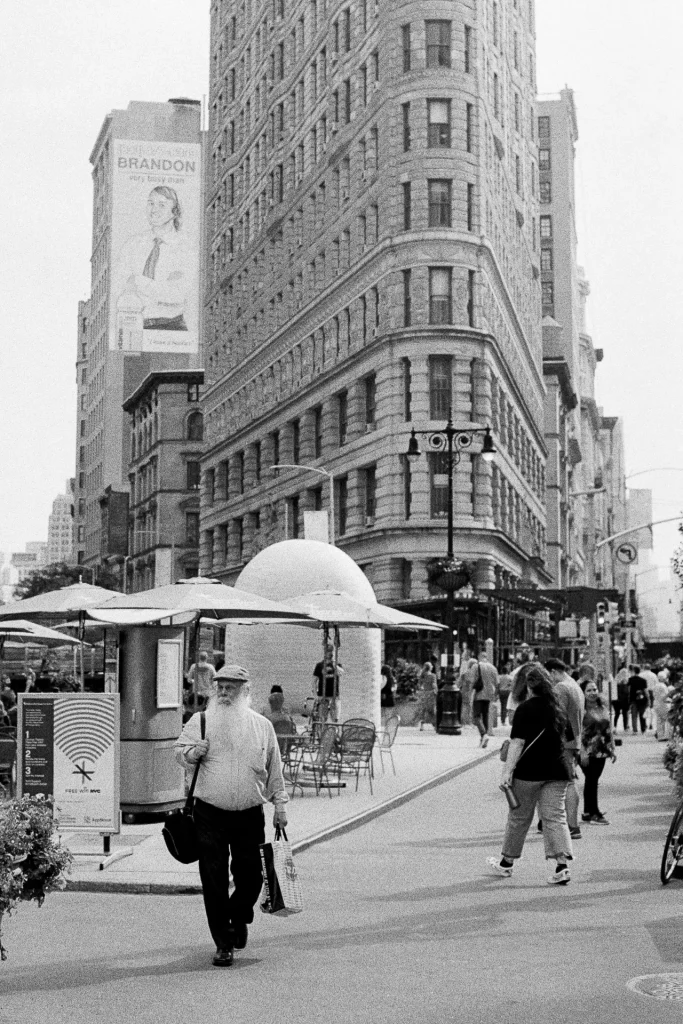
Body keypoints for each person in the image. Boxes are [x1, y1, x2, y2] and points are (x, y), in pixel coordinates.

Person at [175, 664, 288, 968]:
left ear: (245, 692)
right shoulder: (199, 721)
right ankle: (223, 942)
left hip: (250, 814)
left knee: (251, 875)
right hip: (209, 813)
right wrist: (191, 754)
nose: (223, 693)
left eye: (230, 688)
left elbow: (274, 768)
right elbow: (179, 752)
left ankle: (238, 916)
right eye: (219, 687)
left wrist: (280, 805)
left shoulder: (262, 726)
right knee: (212, 878)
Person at [487, 663, 574, 885]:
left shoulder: (524, 709)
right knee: (555, 817)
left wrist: (506, 773)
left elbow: (517, 743)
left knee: (518, 818)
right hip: (557, 771)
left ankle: (507, 863)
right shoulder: (558, 708)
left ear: (527, 687)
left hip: (528, 772)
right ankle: (562, 866)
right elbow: (568, 737)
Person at [115, 185, 195, 335]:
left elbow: (176, 296)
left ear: (175, 211)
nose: (154, 210)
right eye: (151, 203)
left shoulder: (185, 248)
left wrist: (137, 280)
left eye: (161, 205)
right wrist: (160, 288)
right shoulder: (133, 244)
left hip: (171, 328)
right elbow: (119, 287)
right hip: (132, 326)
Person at [544, 659, 585, 839]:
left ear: (553, 672)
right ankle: (570, 824)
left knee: (568, 782)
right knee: (570, 779)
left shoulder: (561, 688)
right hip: (574, 738)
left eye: (548, 676)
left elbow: (556, 715)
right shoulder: (575, 685)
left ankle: (571, 825)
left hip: (563, 740)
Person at [579, 680, 616, 824]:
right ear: (583, 693)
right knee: (592, 779)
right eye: (588, 690)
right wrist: (581, 752)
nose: (593, 693)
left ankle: (588, 812)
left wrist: (612, 747)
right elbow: (577, 732)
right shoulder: (581, 709)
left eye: (594, 689)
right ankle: (594, 812)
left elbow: (608, 728)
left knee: (593, 780)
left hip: (602, 749)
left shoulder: (603, 706)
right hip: (587, 750)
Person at [467, 654, 499, 748]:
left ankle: (483, 734)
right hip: (489, 694)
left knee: (476, 716)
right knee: (485, 715)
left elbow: (472, 681)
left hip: (479, 694)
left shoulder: (476, 666)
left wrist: (469, 694)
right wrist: (496, 694)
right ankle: (483, 739)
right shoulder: (492, 667)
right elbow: (497, 683)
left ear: (480, 657)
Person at [416, 661, 438, 731]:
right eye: (431, 666)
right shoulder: (433, 675)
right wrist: (436, 691)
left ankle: (422, 726)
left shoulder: (422, 676)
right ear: (430, 667)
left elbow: (419, 685)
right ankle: (435, 725)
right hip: (431, 694)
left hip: (424, 694)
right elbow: (434, 685)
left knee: (424, 710)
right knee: (432, 710)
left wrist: (423, 689)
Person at [628, 666, 648, 734]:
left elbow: (628, 689)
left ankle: (635, 730)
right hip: (642, 700)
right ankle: (643, 729)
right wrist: (648, 699)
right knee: (642, 714)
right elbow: (645, 690)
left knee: (634, 715)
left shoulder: (630, 679)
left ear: (634, 671)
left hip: (633, 699)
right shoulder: (643, 680)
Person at [640, 663, 659, 730]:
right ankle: (650, 724)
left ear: (644, 668)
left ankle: (644, 724)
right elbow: (657, 685)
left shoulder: (641, 674)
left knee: (643, 709)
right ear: (650, 668)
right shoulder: (653, 675)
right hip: (651, 692)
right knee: (651, 709)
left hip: (643, 692)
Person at [653, 674, 672, 741]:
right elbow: (665, 697)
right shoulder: (663, 686)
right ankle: (667, 735)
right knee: (667, 720)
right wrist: (671, 700)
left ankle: (660, 736)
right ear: (663, 679)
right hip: (663, 705)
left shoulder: (656, 685)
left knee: (659, 720)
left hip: (656, 704)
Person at [612, 668, 630, 732]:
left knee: (617, 714)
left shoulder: (616, 681)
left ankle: (615, 727)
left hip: (617, 700)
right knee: (625, 714)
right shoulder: (627, 682)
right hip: (625, 700)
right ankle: (625, 727)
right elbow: (628, 692)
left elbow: (613, 691)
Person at [497, 660, 513, 725]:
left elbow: (497, 685)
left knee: (502, 705)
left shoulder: (499, 677)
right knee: (505, 706)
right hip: (507, 692)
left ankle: (502, 720)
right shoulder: (509, 677)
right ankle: (503, 720)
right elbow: (512, 685)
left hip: (501, 692)